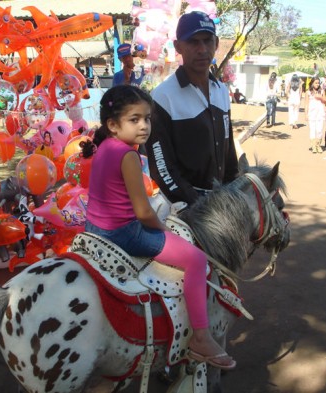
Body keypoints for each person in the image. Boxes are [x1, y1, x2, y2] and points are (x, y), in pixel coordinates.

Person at [85, 84, 236, 370]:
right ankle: (201, 338)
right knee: (196, 259)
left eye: (147, 118)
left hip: (94, 228)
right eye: (134, 120)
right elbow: (142, 212)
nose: (144, 126)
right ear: (113, 125)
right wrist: (164, 230)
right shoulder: (128, 156)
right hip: (124, 233)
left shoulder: (105, 146)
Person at [145, 11, 239, 205]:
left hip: (221, 204)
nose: (202, 49)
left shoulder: (221, 90)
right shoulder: (163, 97)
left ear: (217, 43)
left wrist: (232, 195)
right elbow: (162, 169)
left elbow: (229, 154)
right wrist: (197, 205)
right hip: (183, 209)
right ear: (178, 46)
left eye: (207, 40)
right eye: (193, 42)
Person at [304, 76, 326, 153]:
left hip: (320, 113)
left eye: (318, 83)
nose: (317, 84)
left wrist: (320, 97)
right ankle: (313, 146)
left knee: (319, 129)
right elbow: (306, 104)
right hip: (312, 113)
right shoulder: (308, 92)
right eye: (315, 83)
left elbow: (325, 101)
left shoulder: (322, 91)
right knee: (312, 130)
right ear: (312, 83)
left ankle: (318, 145)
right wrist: (306, 114)